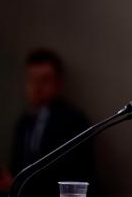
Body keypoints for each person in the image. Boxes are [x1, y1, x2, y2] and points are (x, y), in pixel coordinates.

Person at [10, 49, 96, 197]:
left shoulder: (73, 120)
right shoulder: (24, 122)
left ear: (58, 83)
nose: (37, 87)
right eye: (32, 80)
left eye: (44, 80)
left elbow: (70, 170)